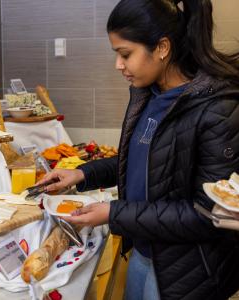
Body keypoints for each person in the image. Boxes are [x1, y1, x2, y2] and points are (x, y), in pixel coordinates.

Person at [38, 0, 239, 299]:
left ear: (161, 47)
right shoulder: (150, 95)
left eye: (125, 54)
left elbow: (207, 213)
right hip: (144, 253)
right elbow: (141, 161)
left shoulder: (217, 109)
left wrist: (113, 212)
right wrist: (81, 174)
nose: (118, 65)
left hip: (186, 270)